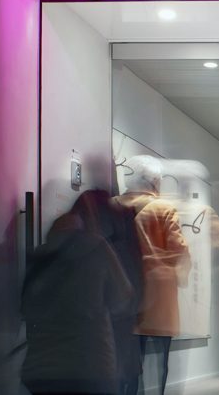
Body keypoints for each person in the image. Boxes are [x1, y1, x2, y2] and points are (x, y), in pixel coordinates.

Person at [21, 212, 132, 395]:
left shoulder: (37, 257)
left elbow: (23, 309)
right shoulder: (97, 247)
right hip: (92, 368)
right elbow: (123, 296)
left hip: (42, 371)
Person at [114, 155, 190, 395]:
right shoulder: (163, 209)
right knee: (157, 367)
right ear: (154, 181)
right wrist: (178, 275)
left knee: (125, 365)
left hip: (120, 299)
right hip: (158, 303)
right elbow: (179, 251)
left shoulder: (113, 206)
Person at [71, 190, 144, 395]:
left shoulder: (79, 247)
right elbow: (129, 294)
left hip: (90, 345)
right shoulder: (119, 244)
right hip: (111, 337)